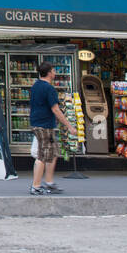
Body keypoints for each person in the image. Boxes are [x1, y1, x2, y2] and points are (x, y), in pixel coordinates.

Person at [30, 62, 75, 195]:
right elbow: (55, 109)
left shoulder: (35, 85)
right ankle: (36, 186)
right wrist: (69, 126)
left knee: (54, 152)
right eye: (54, 71)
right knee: (43, 155)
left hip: (38, 122)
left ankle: (49, 182)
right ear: (49, 73)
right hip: (44, 125)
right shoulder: (49, 88)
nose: (55, 73)